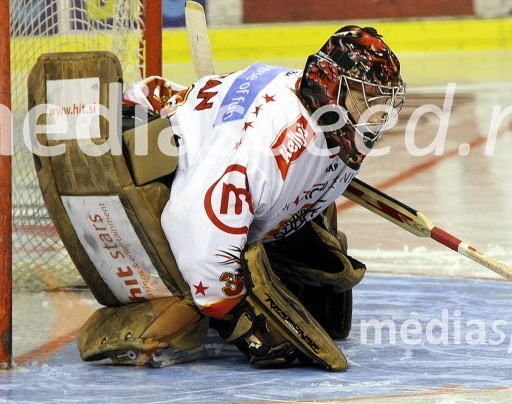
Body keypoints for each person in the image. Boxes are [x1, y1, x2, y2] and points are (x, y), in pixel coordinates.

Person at [121, 25, 406, 369]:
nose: (376, 116)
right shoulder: (263, 152)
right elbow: (192, 226)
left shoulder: (327, 117)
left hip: (212, 128)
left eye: (381, 101)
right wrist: (241, 321)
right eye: (365, 99)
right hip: (138, 121)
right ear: (331, 85)